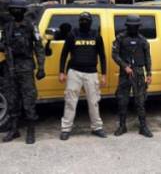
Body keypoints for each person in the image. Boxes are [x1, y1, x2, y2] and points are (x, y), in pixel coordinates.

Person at [2, 0, 45, 144]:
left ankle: (31, 131)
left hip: (26, 66)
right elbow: (3, 44)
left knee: (28, 99)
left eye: (18, 9)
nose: (15, 11)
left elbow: (39, 47)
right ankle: (14, 130)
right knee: (13, 99)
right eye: (13, 9)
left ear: (23, 11)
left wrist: (41, 67)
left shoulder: (31, 26)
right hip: (11, 67)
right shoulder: (7, 27)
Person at [59, 12, 107, 140]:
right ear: (79, 21)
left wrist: (104, 74)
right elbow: (64, 54)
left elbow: (102, 56)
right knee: (70, 101)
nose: (84, 22)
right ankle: (66, 129)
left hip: (91, 73)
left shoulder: (96, 35)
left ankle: (97, 127)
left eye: (86, 20)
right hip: (74, 72)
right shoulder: (72, 34)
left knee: (94, 101)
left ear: (90, 22)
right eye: (82, 20)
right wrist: (61, 72)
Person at [112, 14, 153, 137]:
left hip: (139, 72)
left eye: (135, 26)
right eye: (131, 26)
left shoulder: (143, 40)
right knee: (122, 100)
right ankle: (122, 126)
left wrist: (149, 72)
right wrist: (125, 66)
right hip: (125, 73)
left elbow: (147, 57)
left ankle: (143, 127)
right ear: (128, 26)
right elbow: (114, 54)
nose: (133, 28)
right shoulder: (120, 38)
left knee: (140, 100)